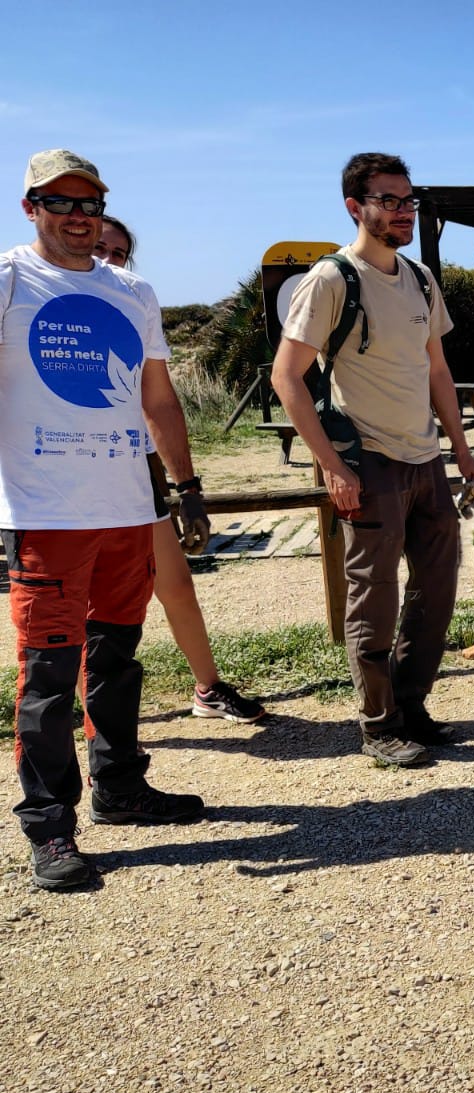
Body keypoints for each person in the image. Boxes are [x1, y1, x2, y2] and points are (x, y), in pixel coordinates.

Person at [2, 149, 207, 890]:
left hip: (127, 506)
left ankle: (120, 788)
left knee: (117, 658)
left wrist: (185, 487)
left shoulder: (134, 291)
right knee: (50, 674)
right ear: (31, 208)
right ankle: (50, 827)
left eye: (89, 203)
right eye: (60, 203)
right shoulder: (10, 279)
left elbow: (157, 398)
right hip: (46, 511)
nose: (78, 216)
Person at [272, 152, 474, 766]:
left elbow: (437, 372)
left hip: (424, 458)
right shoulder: (331, 280)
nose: (403, 212)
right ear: (355, 207)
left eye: (408, 200)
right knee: (375, 593)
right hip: (367, 459)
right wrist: (333, 467)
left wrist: (464, 452)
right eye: (389, 201)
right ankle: (378, 723)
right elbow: (287, 377)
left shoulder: (419, 278)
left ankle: (411, 706)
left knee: (437, 586)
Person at [92, 218, 265, 723]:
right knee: (87, 605)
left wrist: (187, 488)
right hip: (61, 475)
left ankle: (207, 688)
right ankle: (81, 716)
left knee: (175, 584)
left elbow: (159, 404)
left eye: (118, 253)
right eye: (100, 248)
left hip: (133, 466)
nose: (107, 259)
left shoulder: (131, 311)